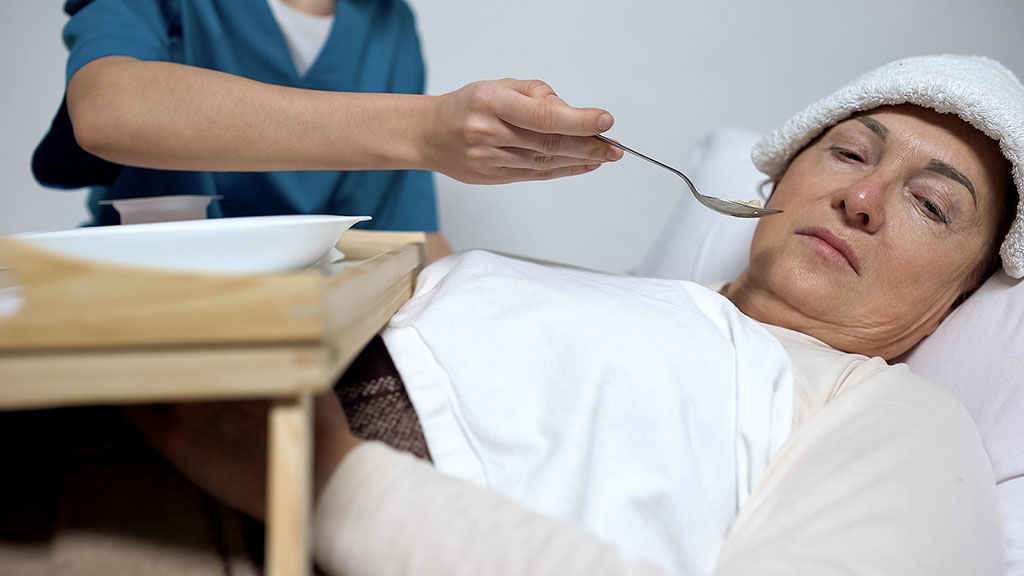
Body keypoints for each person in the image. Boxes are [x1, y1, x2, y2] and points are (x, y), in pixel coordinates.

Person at [127, 54, 1024, 576]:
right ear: (776, 181)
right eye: (848, 151)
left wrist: (330, 485)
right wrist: (434, 131)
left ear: (965, 291)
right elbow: (120, 110)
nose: (864, 195)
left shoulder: (895, 419)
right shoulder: (591, 294)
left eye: (932, 205)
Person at [31, 0, 624, 260]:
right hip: (147, 296)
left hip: (306, 311)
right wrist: (424, 129)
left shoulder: (388, 22)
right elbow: (111, 108)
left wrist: (564, 296)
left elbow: (407, 238)